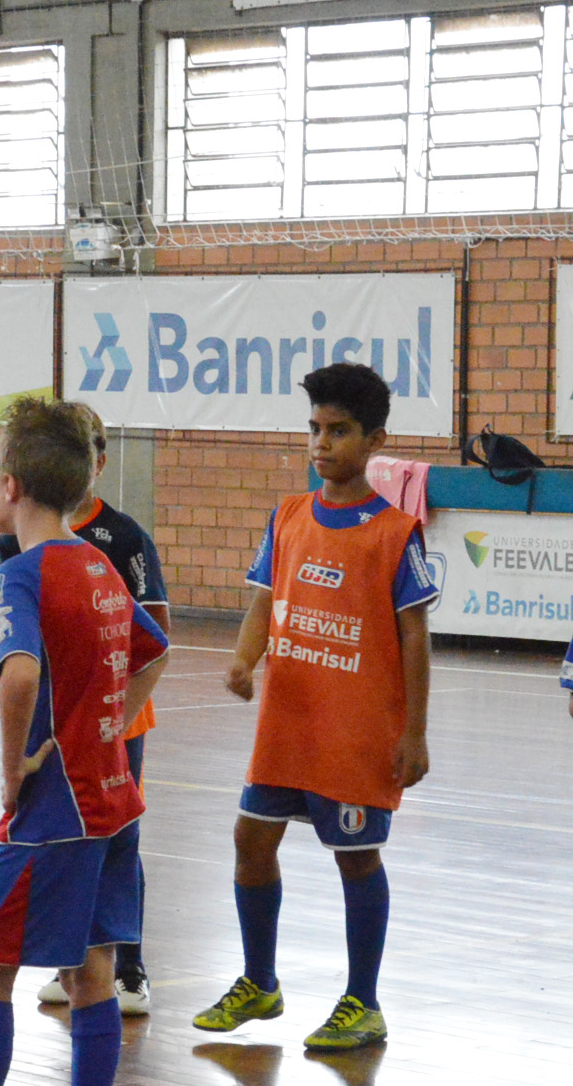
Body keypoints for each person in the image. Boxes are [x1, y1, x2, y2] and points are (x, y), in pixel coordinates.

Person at [193, 361, 437, 1052]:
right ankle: (259, 982)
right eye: (314, 429)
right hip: (286, 727)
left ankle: (364, 1003)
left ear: (375, 440)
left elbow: (415, 636)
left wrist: (415, 733)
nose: (321, 443)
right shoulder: (289, 515)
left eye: (339, 430)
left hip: (355, 733)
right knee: (250, 841)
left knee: (355, 859)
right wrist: (244, 661)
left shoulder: (395, 532)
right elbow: (264, 600)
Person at [0, 398, 169, 1086]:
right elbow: (154, 651)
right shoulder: (98, 563)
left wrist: (14, 768)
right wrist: (110, 726)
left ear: (10, 486)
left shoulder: (18, 575)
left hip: (54, 809)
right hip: (114, 800)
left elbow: (19, 674)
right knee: (90, 972)